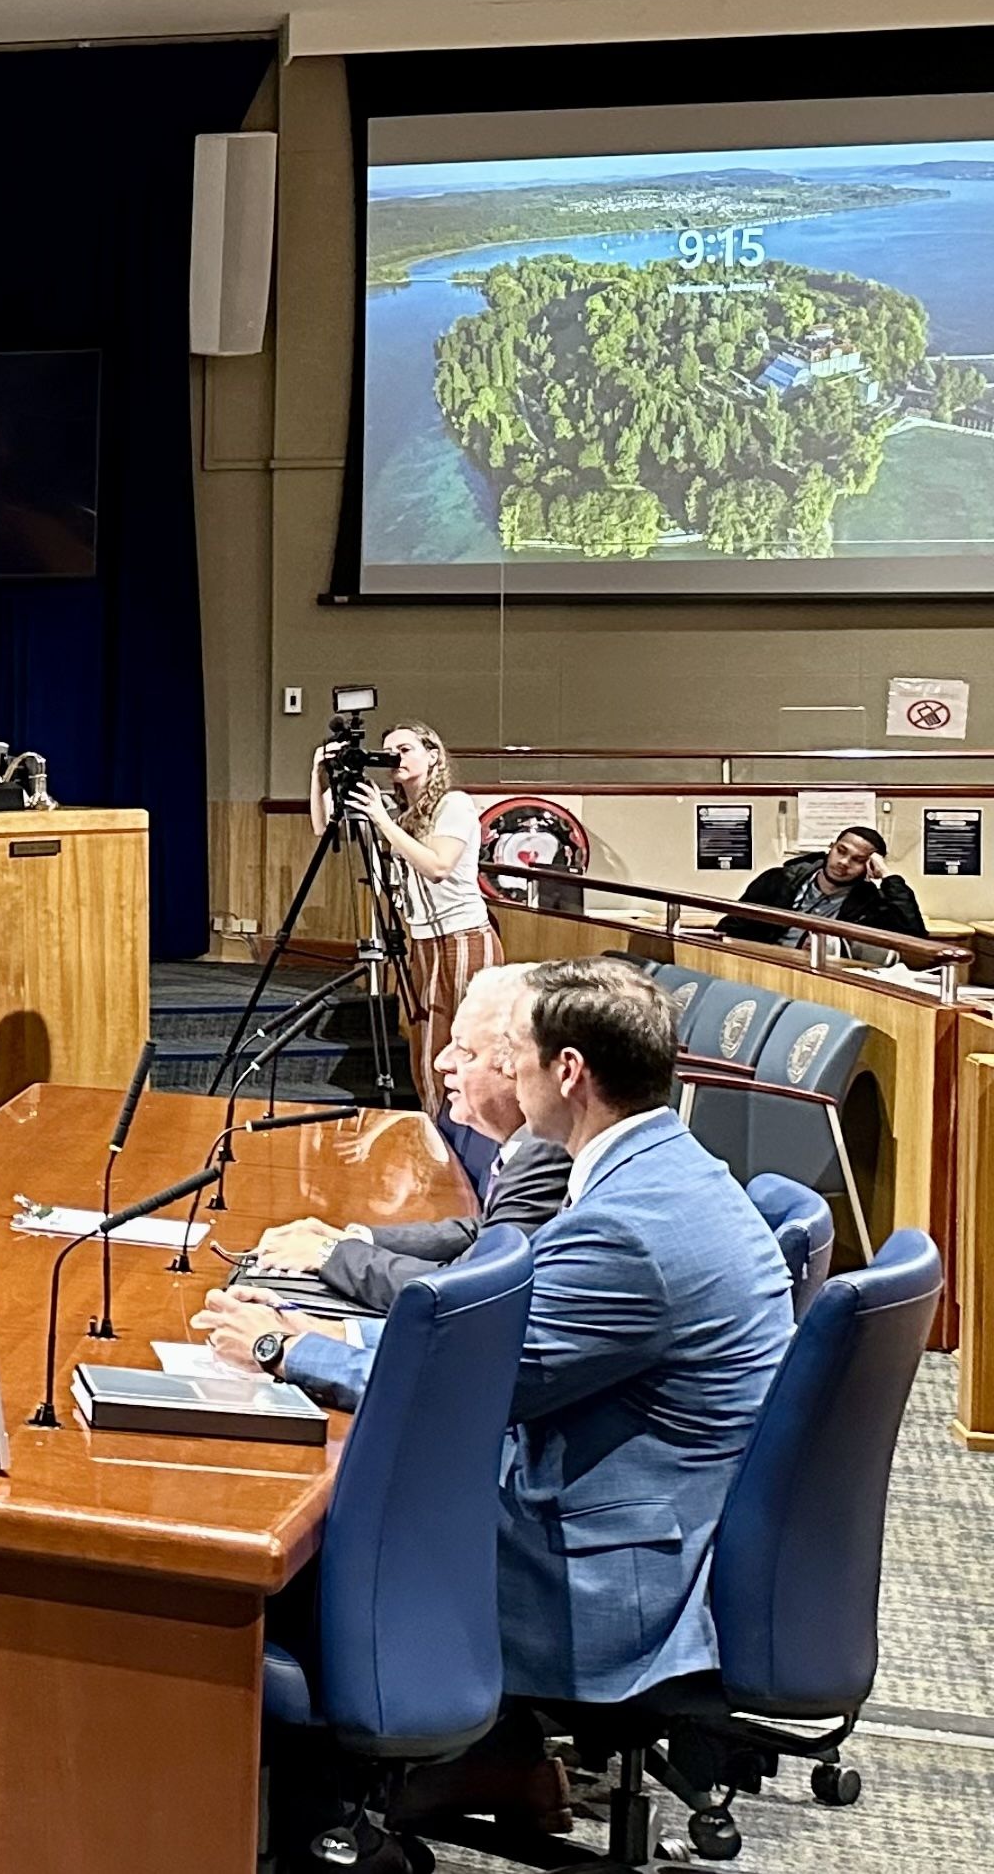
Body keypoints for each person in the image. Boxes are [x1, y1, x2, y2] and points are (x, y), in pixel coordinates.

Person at [196, 957, 791, 1706]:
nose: (504, 1067)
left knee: (267, 1564)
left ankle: (368, 1788)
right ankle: (473, 1768)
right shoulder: (667, 1170)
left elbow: (468, 1392)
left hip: (596, 1579)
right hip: (634, 1512)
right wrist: (332, 1338)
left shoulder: (626, 1229)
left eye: (512, 1049)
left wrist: (284, 1349)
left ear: (567, 1070)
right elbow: (502, 1344)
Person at [241, 964, 573, 1314]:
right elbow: (487, 1230)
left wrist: (331, 1257)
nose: (442, 1062)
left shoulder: (546, 1148)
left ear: (522, 1061)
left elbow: (472, 1288)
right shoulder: (532, 1142)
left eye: (464, 1049)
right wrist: (355, 1239)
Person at [317, 720, 495, 1123]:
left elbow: (438, 866)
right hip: (422, 940)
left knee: (464, 1043)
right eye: (390, 750)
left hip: (462, 935)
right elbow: (321, 823)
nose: (396, 756)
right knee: (425, 1046)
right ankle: (437, 1128)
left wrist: (382, 820)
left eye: (406, 748)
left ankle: (465, 1137)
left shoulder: (454, 804)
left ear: (433, 755)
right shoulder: (400, 810)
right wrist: (321, 772)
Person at [728, 823, 930, 953]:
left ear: (869, 866)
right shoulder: (778, 880)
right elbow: (732, 927)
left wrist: (887, 876)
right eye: (841, 851)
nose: (844, 862)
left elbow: (915, 938)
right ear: (830, 847)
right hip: (767, 966)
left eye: (858, 860)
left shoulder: (869, 903)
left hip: (826, 977)